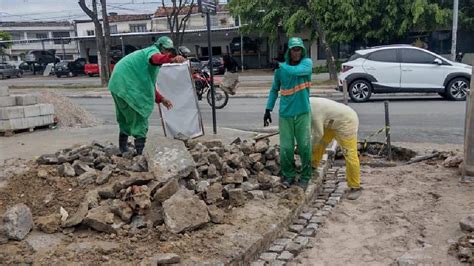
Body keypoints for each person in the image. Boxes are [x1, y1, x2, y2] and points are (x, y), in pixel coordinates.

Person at [108, 36, 185, 155]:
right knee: (139, 115)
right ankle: (140, 153)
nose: (168, 53)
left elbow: (148, 85)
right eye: (166, 50)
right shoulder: (152, 51)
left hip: (117, 84)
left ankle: (123, 148)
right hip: (125, 84)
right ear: (160, 47)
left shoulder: (145, 61)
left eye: (170, 52)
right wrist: (172, 60)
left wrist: (161, 99)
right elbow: (155, 58)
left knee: (125, 117)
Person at [263, 37, 313, 190]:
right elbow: (274, 89)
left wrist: (280, 65)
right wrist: (268, 108)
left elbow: (296, 71)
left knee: (304, 146)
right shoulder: (281, 70)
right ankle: (289, 176)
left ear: (302, 51)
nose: (296, 52)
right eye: (294, 49)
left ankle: (305, 176)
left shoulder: (307, 64)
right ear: (289, 51)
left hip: (303, 113)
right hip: (285, 114)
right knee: (286, 148)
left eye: (299, 49)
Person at [310, 97, 362, 200]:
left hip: (347, 122)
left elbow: (318, 134)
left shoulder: (313, 111)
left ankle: (355, 186)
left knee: (349, 154)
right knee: (320, 145)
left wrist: (307, 147)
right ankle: (312, 167)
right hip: (330, 122)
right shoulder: (304, 103)